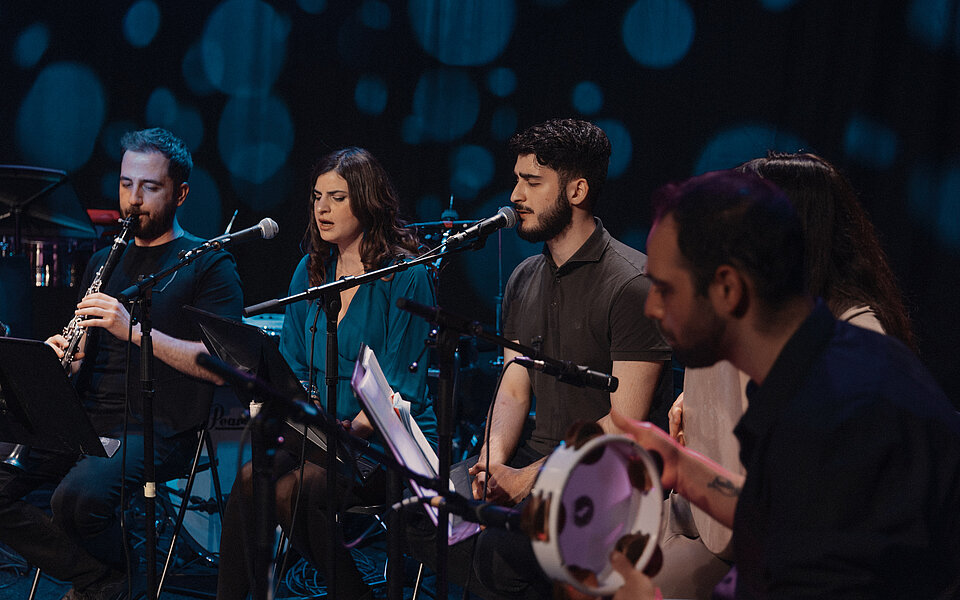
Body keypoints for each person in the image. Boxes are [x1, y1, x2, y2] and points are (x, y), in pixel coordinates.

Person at [616, 169, 960, 598]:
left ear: (727, 288)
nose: (650, 307)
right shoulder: (820, 362)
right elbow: (785, 518)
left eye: (664, 289)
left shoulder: (835, 416)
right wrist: (681, 467)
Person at [0, 127, 243, 600]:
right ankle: (105, 578)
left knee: (76, 500)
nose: (133, 200)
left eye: (149, 187)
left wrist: (134, 330)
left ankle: (106, 579)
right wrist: (64, 361)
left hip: (157, 427)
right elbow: (88, 355)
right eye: (126, 184)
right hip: (84, 418)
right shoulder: (102, 262)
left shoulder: (209, 265)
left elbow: (222, 365)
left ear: (180, 194)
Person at [215, 147, 437, 600]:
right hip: (321, 434)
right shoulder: (311, 269)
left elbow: (402, 385)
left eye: (337, 198)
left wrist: (347, 429)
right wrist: (310, 415)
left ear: (368, 202)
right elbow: (294, 365)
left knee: (292, 493)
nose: (322, 209)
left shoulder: (406, 275)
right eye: (317, 197)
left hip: (386, 440)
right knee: (250, 480)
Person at [467, 118, 673, 598]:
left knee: (499, 549)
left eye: (532, 182)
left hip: (607, 474)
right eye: (516, 179)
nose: (515, 195)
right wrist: (492, 462)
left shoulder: (632, 284)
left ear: (577, 190)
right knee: (424, 514)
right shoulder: (523, 277)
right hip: (533, 458)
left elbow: (625, 423)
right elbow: (513, 385)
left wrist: (528, 479)